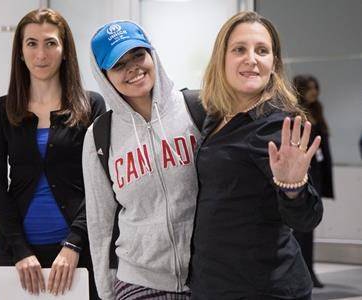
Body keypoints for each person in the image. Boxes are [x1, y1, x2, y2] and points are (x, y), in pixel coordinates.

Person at [188, 12, 323, 299]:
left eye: (262, 51)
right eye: (240, 49)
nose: (252, 59)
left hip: (262, 288)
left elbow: (306, 218)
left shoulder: (275, 125)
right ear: (221, 58)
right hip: (214, 282)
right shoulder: (215, 117)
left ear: (274, 63)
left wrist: (293, 188)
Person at [0, 8, 105, 299]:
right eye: (32, 43)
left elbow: (101, 184)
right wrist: (19, 249)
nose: (41, 54)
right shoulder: (2, 110)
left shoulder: (91, 106)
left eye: (51, 43)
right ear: (20, 53)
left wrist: (74, 244)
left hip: (78, 254)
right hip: (18, 254)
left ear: (64, 50)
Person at [83, 21, 202, 299]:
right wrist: (106, 290)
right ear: (105, 76)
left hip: (206, 277)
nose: (133, 68)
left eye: (138, 55)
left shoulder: (196, 111)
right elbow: (100, 221)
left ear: (152, 54)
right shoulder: (99, 136)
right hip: (138, 281)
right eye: (118, 64)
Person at [293, 74, 334, 288]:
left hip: (317, 174)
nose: (314, 92)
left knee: (309, 227)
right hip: (303, 175)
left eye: (315, 87)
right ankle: (304, 271)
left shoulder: (317, 111)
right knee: (302, 229)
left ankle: (309, 270)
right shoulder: (294, 114)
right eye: (310, 88)